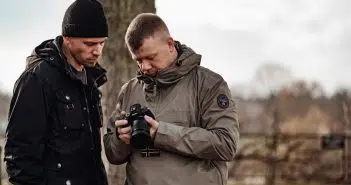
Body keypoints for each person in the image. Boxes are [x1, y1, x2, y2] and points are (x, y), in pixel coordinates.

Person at [103, 13, 240, 185]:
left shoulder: (209, 84)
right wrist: (120, 139)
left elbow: (226, 144)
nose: (144, 67)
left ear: (169, 44)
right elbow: (113, 155)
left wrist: (161, 133)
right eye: (138, 60)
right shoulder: (129, 90)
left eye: (151, 57)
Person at [4, 0, 109, 185]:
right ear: (67, 39)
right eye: (90, 43)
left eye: (102, 43)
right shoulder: (37, 79)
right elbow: (20, 158)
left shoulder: (90, 79)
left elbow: (92, 154)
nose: (97, 51)